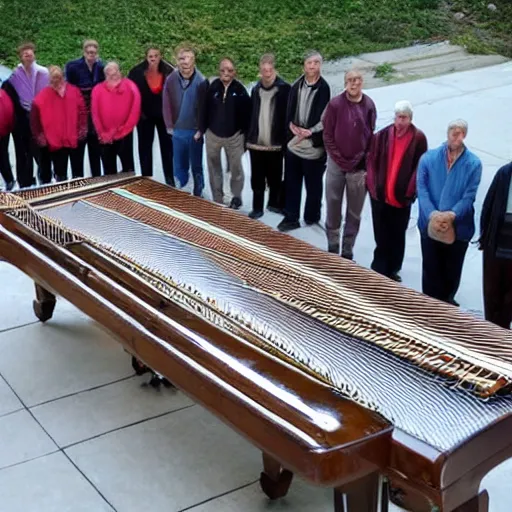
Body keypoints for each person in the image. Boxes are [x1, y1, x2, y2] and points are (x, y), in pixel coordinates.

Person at [417, 119, 482, 306]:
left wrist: (451, 215)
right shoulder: (428, 159)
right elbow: (422, 189)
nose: (457, 135)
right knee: (431, 270)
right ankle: (429, 308)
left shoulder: (473, 164)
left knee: (451, 272)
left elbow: (469, 195)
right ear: (447, 133)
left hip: (458, 226)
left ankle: (446, 307)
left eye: (461, 132)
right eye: (454, 131)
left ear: (465, 135)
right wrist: (433, 215)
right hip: (430, 224)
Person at [366, 100, 427, 281]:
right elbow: (371, 162)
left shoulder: (418, 138)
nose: (400, 121)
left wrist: (410, 192)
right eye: (398, 117)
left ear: (410, 119)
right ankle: (379, 267)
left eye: (404, 118)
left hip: (401, 199)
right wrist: (373, 187)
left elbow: (420, 167)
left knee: (397, 235)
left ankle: (393, 268)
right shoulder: (382, 136)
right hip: (380, 197)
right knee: (381, 233)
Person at [322, 69, 376, 259]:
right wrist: (340, 159)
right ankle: (333, 244)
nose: (354, 83)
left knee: (355, 210)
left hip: (358, 166)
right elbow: (327, 135)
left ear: (362, 81)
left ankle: (347, 248)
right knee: (333, 204)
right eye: (350, 80)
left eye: (358, 79)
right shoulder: (335, 104)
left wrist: (362, 160)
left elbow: (370, 136)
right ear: (345, 83)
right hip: (336, 164)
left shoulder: (369, 105)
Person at [277, 51, 331, 232]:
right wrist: (291, 127)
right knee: (292, 183)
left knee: (314, 186)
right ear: (304, 66)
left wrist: (310, 132)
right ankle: (291, 217)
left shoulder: (325, 89)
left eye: (316, 62)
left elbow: (325, 118)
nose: (313, 66)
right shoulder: (296, 86)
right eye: (310, 63)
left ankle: (312, 216)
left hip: (313, 147)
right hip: (294, 143)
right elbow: (288, 111)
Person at [246, 53, 291, 219]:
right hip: (256, 143)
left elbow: (289, 115)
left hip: (276, 143)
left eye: (269, 70)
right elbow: (251, 114)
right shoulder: (256, 89)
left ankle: (274, 204)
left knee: (275, 176)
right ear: (260, 70)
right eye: (264, 70)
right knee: (257, 178)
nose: (267, 73)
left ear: (274, 69)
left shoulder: (285, 89)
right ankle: (257, 207)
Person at [202, 57, 250, 209]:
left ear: (234, 72)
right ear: (219, 71)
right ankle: (218, 198)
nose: (226, 73)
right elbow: (204, 109)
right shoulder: (212, 87)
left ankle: (236, 197)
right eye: (223, 70)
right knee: (214, 167)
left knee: (236, 169)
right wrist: (203, 129)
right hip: (213, 135)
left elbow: (248, 115)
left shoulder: (240, 90)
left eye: (229, 70)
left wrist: (245, 137)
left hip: (234, 137)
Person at [163, 45, 208, 197]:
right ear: (177, 60)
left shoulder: (202, 81)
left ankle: (198, 192)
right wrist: (169, 126)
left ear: (193, 61)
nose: (185, 62)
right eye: (182, 58)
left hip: (194, 131)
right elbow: (166, 103)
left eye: (188, 58)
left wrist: (201, 129)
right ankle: (182, 190)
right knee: (179, 165)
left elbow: (205, 108)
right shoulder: (171, 79)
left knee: (196, 165)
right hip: (177, 130)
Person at [31, 66, 88, 183]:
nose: (56, 80)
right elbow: (35, 121)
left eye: (58, 77)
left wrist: (82, 130)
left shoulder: (74, 91)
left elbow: (82, 112)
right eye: (53, 78)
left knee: (78, 173)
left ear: (63, 77)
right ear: (49, 80)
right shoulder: (41, 97)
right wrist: (40, 137)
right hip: (55, 142)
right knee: (60, 174)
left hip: (74, 139)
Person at [128, 46, 175, 184]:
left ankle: (170, 178)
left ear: (160, 56)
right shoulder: (136, 72)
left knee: (167, 148)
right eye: (150, 56)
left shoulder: (169, 71)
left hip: (164, 118)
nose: (153, 58)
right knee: (145, 148)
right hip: (144, 117)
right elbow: (131, 95)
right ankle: (146, 178)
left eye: (156, 55)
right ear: (146, 57)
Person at [5, 42, 49, 188]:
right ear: (21, 57)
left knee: (41, 150)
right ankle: (25, 181)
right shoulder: (14, 76)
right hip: (22, 118)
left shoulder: (43, 72)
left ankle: (45, 178)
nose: (28, 56)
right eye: (25, 54)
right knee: (23, 152)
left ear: (34, 55)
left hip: (40, 116)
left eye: (30, 54)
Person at [91, 62, 141, 175]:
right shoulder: (97, 90)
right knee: (108, 170)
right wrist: (102, 133)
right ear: (105, 75)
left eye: (115, 71)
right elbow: (95, 113)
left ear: (120, 72)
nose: (113, 74)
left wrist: (122, 132)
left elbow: (135, 111)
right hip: (105, 137)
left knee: (128, 168)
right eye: (109, 73)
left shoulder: (130, 86)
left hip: (125, 134)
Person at [65, 40, 105, 178]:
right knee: (78, 149)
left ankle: (96, 179)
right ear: (84, 52)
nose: (91, 55)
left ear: (97, 53)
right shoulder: (73, 67)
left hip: (95, 114)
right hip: (79, 113)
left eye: (93, 52)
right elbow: (69, 90)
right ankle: (78, 180)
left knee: (95, 150)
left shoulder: (101, 67)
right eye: (88, 52)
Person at [479, 163, 512, 328]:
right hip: (496, 243)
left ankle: (503, 332)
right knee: (492, 294)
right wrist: (484, 237)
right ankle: (490, 332)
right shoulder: (504, 173)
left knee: (509, 301)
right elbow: (488, 205)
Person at [0, 87, 16, 190]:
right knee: (3, 156)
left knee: (2, 157)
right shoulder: (3, 94)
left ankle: (9, 180)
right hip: (5, 130)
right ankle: (9, 180)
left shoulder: (3, 95)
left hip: (3, 130)